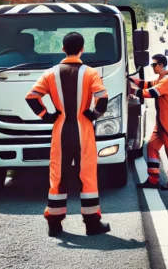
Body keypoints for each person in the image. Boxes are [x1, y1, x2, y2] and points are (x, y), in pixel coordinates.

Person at [25, 32, 111, 237]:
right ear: (82, 49)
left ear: (63, 49)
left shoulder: (50, 73)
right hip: (83, 130)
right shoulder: (90, 73)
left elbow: (31, 98)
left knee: (58, 176)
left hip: (60, 129)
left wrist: (47, 116)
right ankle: (92, 224)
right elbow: (103, 98)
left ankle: (54, 225)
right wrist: (93, 114)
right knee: (87, 176)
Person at [130, 53, 168, 190]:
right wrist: (130, 79)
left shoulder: (167, 80)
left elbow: (150, 92)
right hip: (161, 121)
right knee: (152, 147)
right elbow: (146, 84)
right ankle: (153, 180)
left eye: (153, 64)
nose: (152, 66)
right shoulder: (161, 78)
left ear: (161, 65)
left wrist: (133, 91)